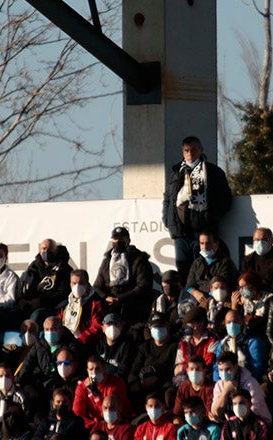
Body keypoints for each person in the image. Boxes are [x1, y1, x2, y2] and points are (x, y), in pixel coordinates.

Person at [162, 135, 232, 281]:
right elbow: (168, 199)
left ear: (200, 150)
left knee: (204, 270)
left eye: (193, 150)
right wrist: (168, 221)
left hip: (204, 232)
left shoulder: (213, 172)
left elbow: (225, 199)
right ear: (183, 153)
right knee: (183, 271)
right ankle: (187, 300)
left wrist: (211, 218)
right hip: (181, 232)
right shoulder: (176, 172)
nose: (190, 154)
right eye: (186, 151)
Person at [92, 226, 154, 324]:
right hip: (110, 307)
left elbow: (143, 285)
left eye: (121, 238)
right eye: (116, 238)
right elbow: (97, 286)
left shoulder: (139, 259)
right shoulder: (107, 260)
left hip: (133, 306)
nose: (118, 241)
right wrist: (106, 297)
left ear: (128, 240)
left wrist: (120, 299)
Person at [19, 239, 73, 320]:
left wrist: (41, 302)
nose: (46, 251)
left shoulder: (65, 269)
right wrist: (22, 300)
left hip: (52, 307)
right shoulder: (33, 267)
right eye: (44, 248)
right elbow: (25, 287)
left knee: (36, 316)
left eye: (50, 249)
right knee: (13, 315)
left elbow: (63, 294)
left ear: (56, 250)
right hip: (31, 305)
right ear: (40, 250)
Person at [61, 270, 106, 347]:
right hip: (67, 342)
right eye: (74, 284)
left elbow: (97, 327)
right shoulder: (68, 302)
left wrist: (80, 339)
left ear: (88, 285)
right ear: (70, 284)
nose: (77, 287)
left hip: (86, 343)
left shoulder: (96, 303)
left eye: (81, 283)